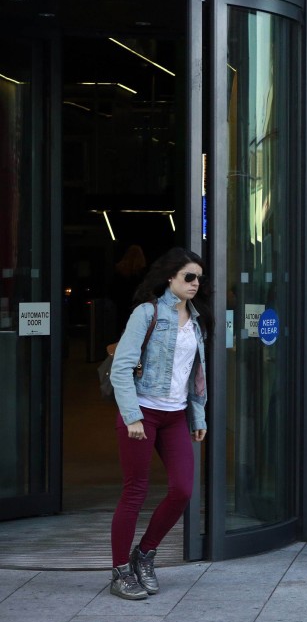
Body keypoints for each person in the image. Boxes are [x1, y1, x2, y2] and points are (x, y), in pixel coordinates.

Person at [107, 247, 212, 600]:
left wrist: (197, 416)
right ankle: (120, 570)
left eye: (199, 277)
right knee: (135, 491)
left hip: (175, 417)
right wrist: (132, 415)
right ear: (170, 277)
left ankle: (145, 554)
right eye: (189, 277)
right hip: (142, 412)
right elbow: (122, 366)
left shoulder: (197, 322)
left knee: (183, 489)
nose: (196, 283)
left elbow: (196, 376)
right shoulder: (147, 313)